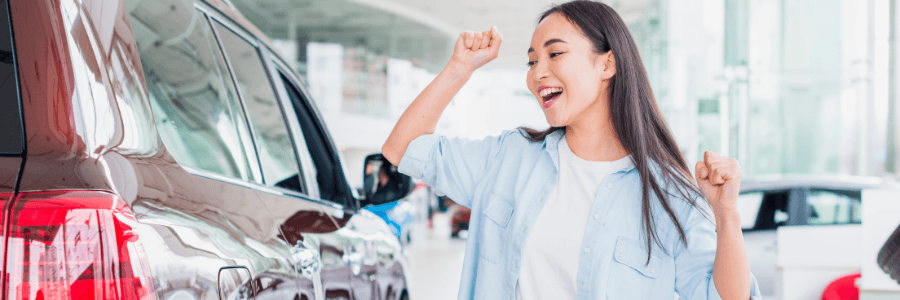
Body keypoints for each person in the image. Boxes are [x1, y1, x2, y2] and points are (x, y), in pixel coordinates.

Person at [382, 1, 761, 299]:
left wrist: (726, 213)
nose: (536, 73)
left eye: (555, 54)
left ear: (607, 63)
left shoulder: (667, 195)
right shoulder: (507, 158)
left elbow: (724, 297)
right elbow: (404, 149)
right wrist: (459, 69)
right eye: (532, 61)